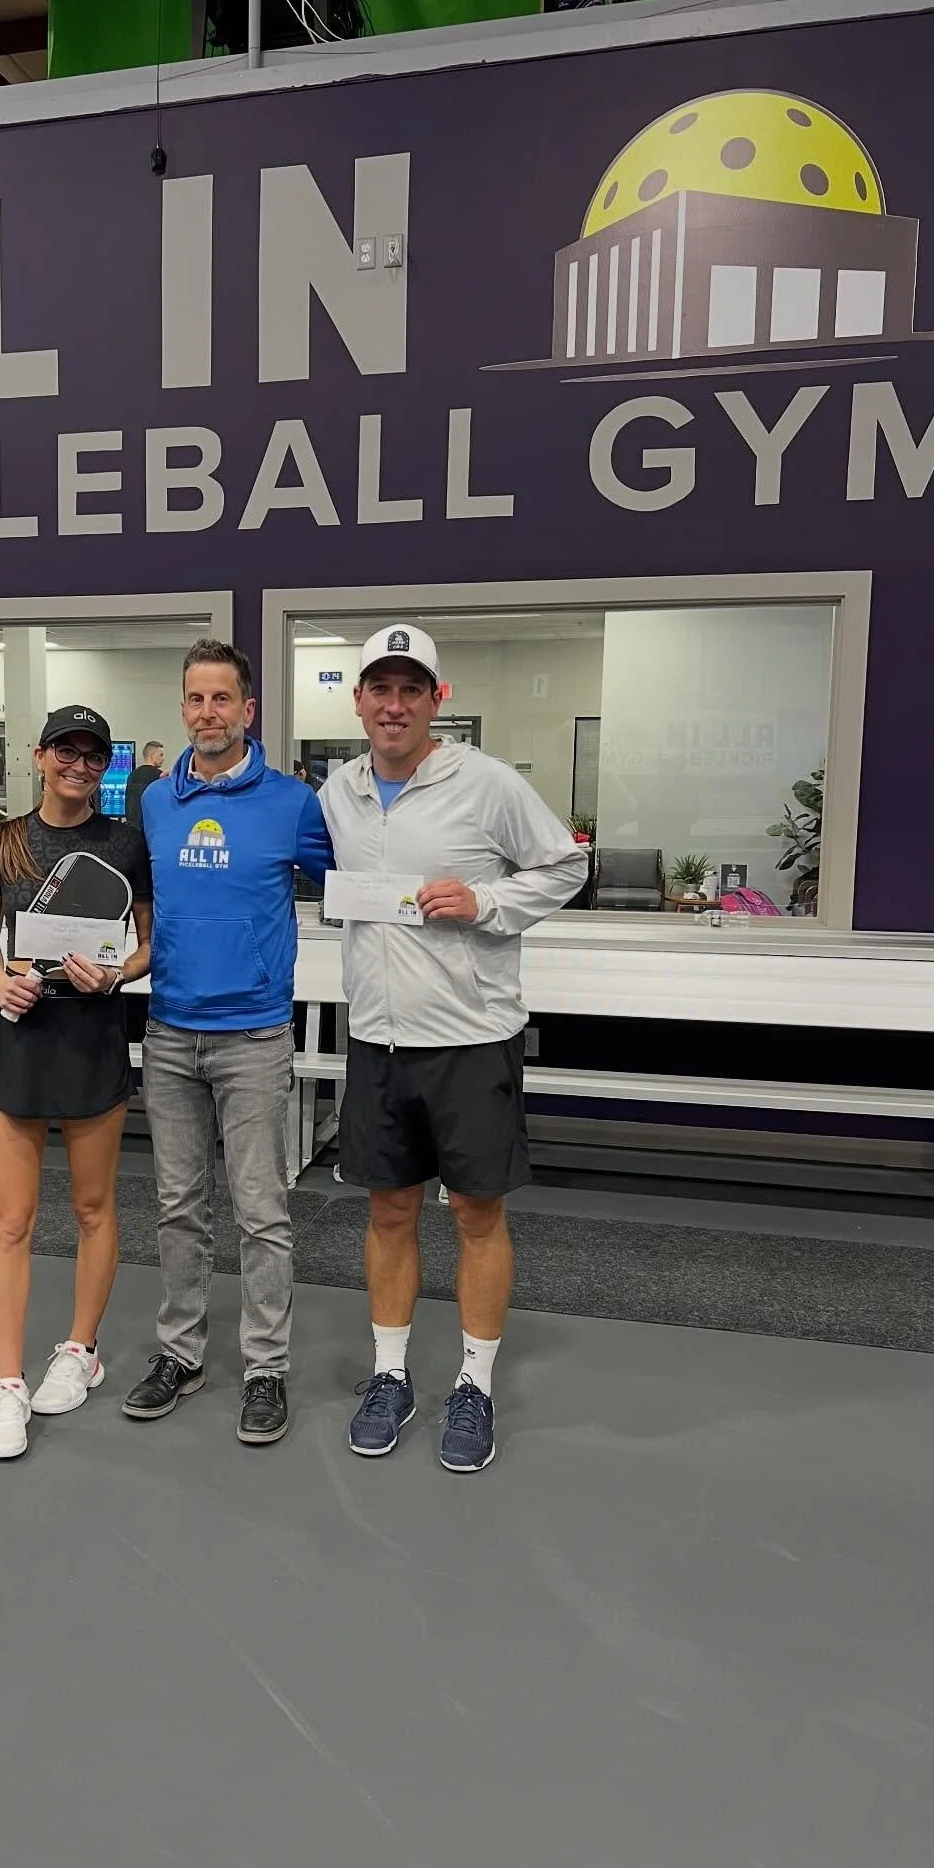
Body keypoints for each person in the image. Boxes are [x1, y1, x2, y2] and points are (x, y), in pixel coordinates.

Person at [319, 624, 588, 1474]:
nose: (393, 705)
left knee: (477, 1214)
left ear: (438, 700)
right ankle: (390, 1375)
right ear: (358, 699)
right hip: (378, 1040)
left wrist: (484, 901)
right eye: (379, 689)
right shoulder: (340, 791)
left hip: (472, 1040)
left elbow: (563, 867)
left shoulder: (488, 784)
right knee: (388, 1212)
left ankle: (473, 1385)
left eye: (411, 690)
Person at [122, 639, 333, 1446]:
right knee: (178, 1207)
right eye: (194, 700)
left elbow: (349, 881)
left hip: (253, 1036)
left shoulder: (292, 803)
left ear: (248, 710)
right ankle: (182, 1355)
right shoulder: (156, 801)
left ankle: (267, 1369)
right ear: (182, 709)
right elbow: (142, 901)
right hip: (170, 1032)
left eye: (222, 700)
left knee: (260, 1211)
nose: (207, 714)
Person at [0, 706, 153, 1461]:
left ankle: (81, 1349)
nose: (79, 765)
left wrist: (117, 973)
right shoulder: (2, 842)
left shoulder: (127, 844)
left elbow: (148, 942)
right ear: (40, 756)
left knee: (90, 1205)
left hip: (91, 1038)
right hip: (19, 1039)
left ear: (106, 765)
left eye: (94, 755)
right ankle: (8, 1385)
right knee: (11, 1220)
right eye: (66, 752)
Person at [124, 740, 166, 826]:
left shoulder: (132, 775)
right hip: (151, 830)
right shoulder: (161, 777)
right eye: (161, 755)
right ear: (152, 756)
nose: (163, 759)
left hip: (132, 831)